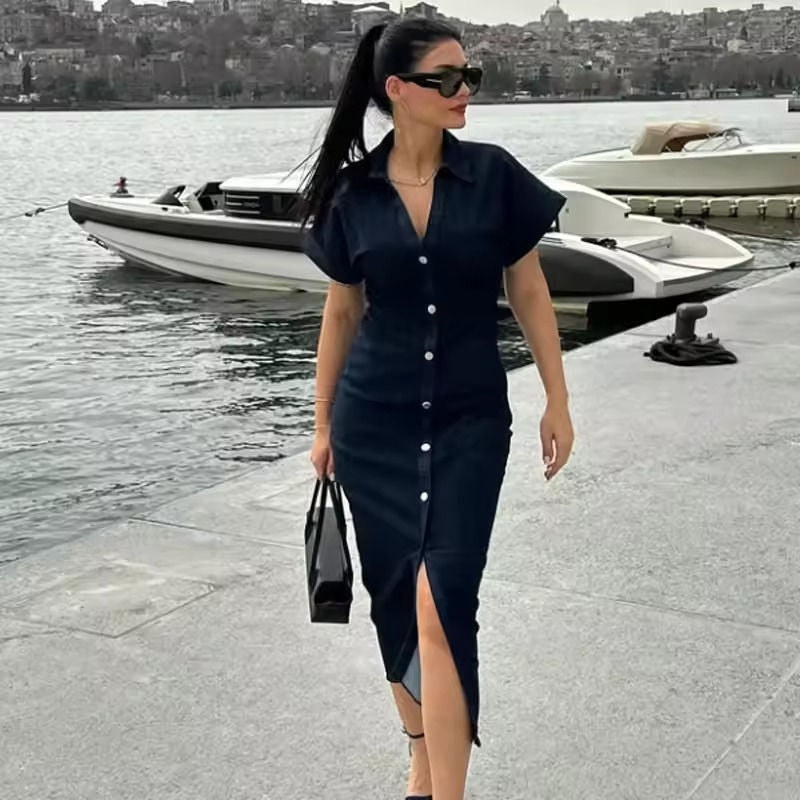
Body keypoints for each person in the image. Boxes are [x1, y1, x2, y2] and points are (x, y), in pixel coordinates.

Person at [302, 17, 574, 800]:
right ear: (398, 90)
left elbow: (529, 289)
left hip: (469, 422)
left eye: (469, 76)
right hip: (373, 424)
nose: (465, 92)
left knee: (442, 600)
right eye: (447, 79)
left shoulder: (493, 176)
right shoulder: (353, 194)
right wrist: (322, 424)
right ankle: (421, 752)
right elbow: (342, 312)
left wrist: (557, 398)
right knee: (396, 601)